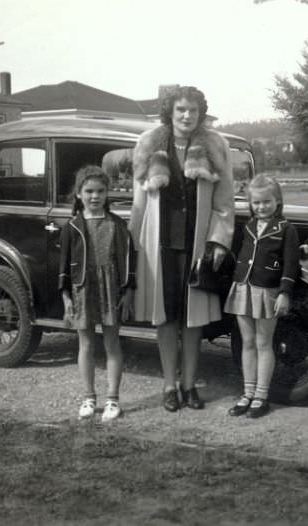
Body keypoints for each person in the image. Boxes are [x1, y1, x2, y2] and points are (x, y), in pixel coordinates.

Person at [128, 86, 235, 412]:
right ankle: (169, 387)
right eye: (181, 110)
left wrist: (219, 240)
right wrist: (134, 247)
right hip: (159, 246)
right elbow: (139, 202)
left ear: (201, 113)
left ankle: (190, 386)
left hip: (197, 246)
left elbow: (224, 202)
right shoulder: (148, 145)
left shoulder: (214, 146)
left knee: (193, 320)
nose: (187, 116)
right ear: (170, 113)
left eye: (193, 110)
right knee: (166, 318)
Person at [59, 165, 135, 421]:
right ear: (79, 194)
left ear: (107, 193)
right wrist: (66, 296)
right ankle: (89, 397)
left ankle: (113, 399)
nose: (95, 196)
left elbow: (128, 261)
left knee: (112, 343)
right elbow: (64, 266)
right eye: (89, 191)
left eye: (100, 191)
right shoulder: (72, 226)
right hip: (82, 289)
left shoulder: (117, 224)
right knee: (86, 344)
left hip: (111, 289)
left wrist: (128, 292)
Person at [224, 174, 299, 418]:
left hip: (267, 291)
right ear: (250, 204)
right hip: (243, 288)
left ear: (277, 201)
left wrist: (284, 293)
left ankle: (261, 396)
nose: (261, 207)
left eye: (266, 202)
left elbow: (291, 265)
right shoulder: (246, 226)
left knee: (263, 343)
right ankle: (247, 393)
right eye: (256, 203)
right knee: (246, 342)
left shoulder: (286, 229)